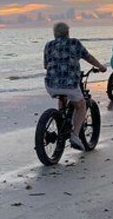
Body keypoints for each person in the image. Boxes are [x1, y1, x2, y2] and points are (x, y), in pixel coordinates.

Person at [43, 22, 107, 150]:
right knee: (81, 104)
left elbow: (46, 65)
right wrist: (100, 66)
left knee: (62, 97)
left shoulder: (48, 45)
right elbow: (88, 57)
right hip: (70, 84)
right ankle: (75, 135)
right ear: (68, 32)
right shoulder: (74, 43)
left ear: (55, 34)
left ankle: (60, 119)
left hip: (51, 84)